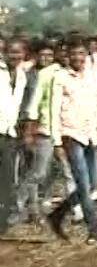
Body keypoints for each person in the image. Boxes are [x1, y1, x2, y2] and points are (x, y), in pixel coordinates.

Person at [47, 38, 97, 244]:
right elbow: (53, 110)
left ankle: (58, 213)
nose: (78, 58)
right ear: (68, 57)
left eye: (81, 54)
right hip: (71, 133)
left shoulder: (92, 77)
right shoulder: (61, 78)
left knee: (92, 184)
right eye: (74, 54)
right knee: (82, 183)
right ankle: (94, 228)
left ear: (86, 56)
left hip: (91, 133)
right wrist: (56, 141)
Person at [13, 40, 61, 226]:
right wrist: (28, 128)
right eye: (42, 55)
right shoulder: (29, 75)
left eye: (49, 55)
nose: (45, 58)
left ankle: (33, 207)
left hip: (48, 126)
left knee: (44, 170)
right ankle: (21, 206)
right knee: (36, 171)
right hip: (30, 126)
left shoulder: (55, 74)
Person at [0, 38, 28, 233]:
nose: (15, 56)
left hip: (9, 133)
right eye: (12, 52)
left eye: (19, 53)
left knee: (8, 178)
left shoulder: (21, 76)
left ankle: (3, 220)